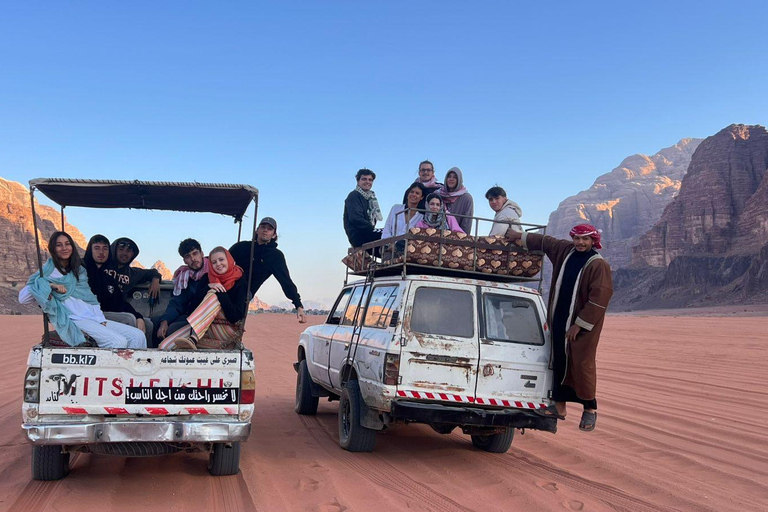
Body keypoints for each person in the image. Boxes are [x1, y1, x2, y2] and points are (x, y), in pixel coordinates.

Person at [506, 224, 612, 432]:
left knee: (582, 363)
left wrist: (578, 325)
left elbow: (600, 298)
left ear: (593, 241)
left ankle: (590, 409)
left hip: (582, 327)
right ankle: (559, 406)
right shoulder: (565, 251)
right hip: (559, 320)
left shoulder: (598, 264)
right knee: (559, 362)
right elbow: (546, 242)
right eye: (577, 238)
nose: (580, 243)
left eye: (585, 239)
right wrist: (519, 235)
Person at [19, 231, 146, 349]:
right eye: (59, 245)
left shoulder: (79, 270)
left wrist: (99, 318)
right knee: (118, 342)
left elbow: (89, 299)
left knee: (137, 336)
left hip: (91, 317)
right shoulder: (47, 271)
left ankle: (134, 367)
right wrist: (49, 285)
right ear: (53, 248)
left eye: (67, 244)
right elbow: (23, 299)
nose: (64, 248)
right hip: (72, 319)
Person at [159, 247, 248, 350]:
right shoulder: (207, 278)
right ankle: (193, 339)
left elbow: (235, 317)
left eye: (221, 260)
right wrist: (208, 287)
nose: (218, 264)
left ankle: (193, 338)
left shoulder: (240, 281)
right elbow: (192, 309)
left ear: (228, 260)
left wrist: (220, 293)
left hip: (225, 330)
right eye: (214, 262)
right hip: (203, 329)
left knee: (212, 295)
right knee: (164, 347)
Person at [230, 217, 306, 323]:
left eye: (269, 229)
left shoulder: (275, 256)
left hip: (245, 293)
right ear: (257, 230)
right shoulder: (241, 247)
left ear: (274, 235)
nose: (265, 230)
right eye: (263, 227)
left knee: (232, 308)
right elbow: (221, 260)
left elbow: (286, 281)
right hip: (228, 284)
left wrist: (298, 305)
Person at [83, 234, 153, 341]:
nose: (101, 252)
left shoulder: (108, 276)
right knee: (129, 319)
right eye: (97, 248)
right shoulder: (81, 268)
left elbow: (118, 301)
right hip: (89, 313)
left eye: (105, 249)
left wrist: (139, 316)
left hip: (110, 311)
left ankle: (146, 351)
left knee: (148, 324)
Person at [155, 238, 210, 345]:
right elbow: (177, 303)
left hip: (204, 318)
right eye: (188, 257)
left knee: (172, 329)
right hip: (189, 315)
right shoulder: (185, 277)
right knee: (156, 322)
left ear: (202, 254)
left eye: (195, 253)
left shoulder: (213, 271)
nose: (193, 259)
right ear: (184, 260)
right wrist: (164, 321)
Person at [343, 168, 383, 249]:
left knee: (391, 234)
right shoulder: (354, 196)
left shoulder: (370, 198)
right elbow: (355, 218)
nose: (368, 182)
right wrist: (372, 229)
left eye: (370, 180)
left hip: (367, 233)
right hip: (359, 236)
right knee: (388, 235)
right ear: (358, 181)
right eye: (364, 179)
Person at [438, 167, 474, 234]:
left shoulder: (466, 198)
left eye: (455, 177)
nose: (451, 179)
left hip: (457, 236)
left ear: (459, 180)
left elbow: (466, 223)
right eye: (449, 176)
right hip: (437, 234)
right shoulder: (438, 194)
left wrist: (462, 238)